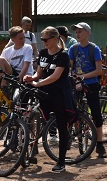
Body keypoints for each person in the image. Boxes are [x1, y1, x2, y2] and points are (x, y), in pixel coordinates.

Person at [24, 26, 74, 173]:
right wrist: (31, 78)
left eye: (46, 39)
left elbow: (55, 76)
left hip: (60, 92)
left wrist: (38, 83)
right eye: (42, 39)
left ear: (55, 39)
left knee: (61, 124)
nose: (44, 42)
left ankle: (61, 161)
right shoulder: (44, 53)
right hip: (45, 90)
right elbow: (39, 73)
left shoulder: (63, 55)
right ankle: (28, 146)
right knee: (32, 110)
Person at [68, 22, 106, 159]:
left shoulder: (93, 49)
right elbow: (69, 66)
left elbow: (98, 70)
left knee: (96, 114)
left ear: (87, 34)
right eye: (76, 32)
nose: (77, 34)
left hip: (91, 83)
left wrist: (83, 77)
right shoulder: (73, 48)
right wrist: (74, 78)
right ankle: (75, 136)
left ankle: (100, 144)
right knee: (73, 111)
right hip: (76, 83)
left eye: (80, 32)